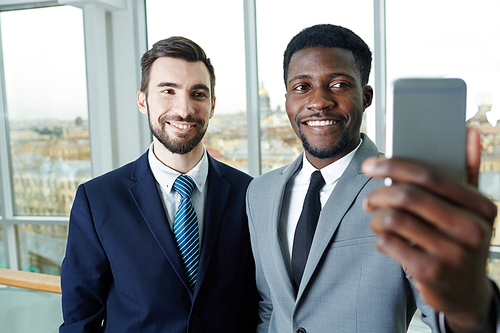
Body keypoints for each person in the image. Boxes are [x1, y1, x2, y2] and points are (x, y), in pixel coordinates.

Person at [246, 24, 499, 332]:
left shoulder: (403, 192)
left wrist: (471, 306)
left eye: (338, 85)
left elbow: (444, 315)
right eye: (302, 87)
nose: (318, 101)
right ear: (287, 100)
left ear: (366, 97)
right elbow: (270, 305)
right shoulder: (259, 192)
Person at [60, 36, 258, 332]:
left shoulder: (249, 194)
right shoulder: (98, 200)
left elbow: (258, 304)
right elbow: (80, 318)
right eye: (168, 91)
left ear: (213, 105)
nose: (184, 109)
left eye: (198, 94)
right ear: (143, 101)